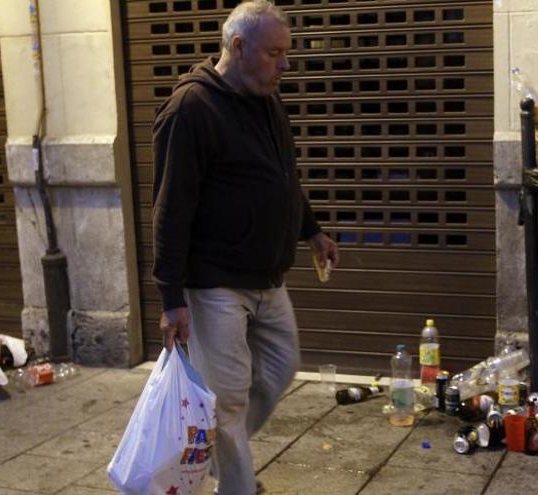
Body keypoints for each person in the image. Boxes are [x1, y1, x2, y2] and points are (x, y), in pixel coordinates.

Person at [151, 1, 339, 493]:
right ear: (238, 47)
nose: (286, 64)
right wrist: (171, 298)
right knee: (229, 398)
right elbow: (170, 210)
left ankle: (217, 446)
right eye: (275, 53)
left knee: (280, 368)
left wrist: (312, 230)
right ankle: (237, 484)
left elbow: (282, 178)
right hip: (214, 282)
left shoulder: (267, 100)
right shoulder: (190, 110)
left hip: (267, 276)